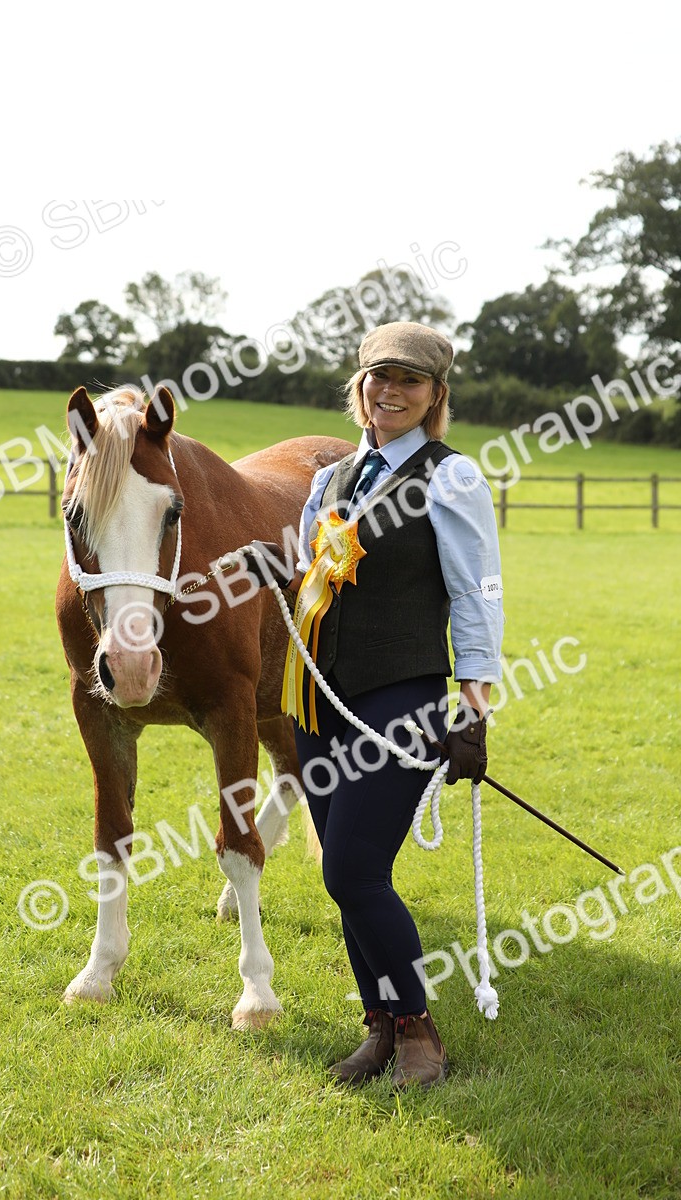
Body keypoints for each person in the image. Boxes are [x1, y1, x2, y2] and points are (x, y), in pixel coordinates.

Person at [242, 321, 503, 1091]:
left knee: (354, 872)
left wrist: (475, 704)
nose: (389, 393)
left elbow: (475, 591)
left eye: (409, 383)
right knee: (344, 873)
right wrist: (279, 569)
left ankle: (419, 1029)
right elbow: (318, 580)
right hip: (319, 700)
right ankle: (380, 1027)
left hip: (401, 697)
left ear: (434, 397)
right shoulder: (333, 480)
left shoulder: (449, 477)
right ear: (358, 387)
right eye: (376, 379)